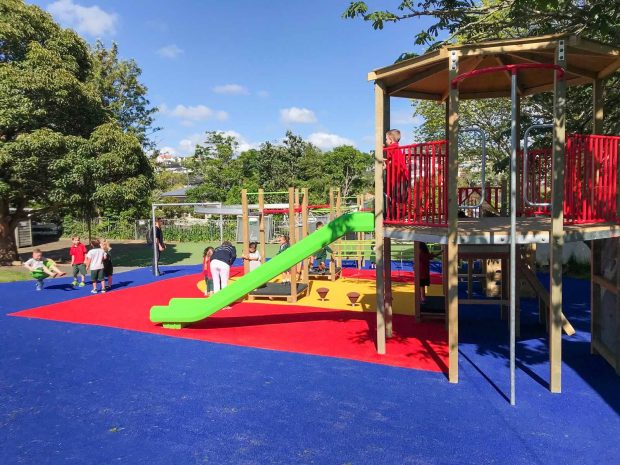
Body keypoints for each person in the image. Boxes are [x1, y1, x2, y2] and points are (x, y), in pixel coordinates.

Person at [384, 129, 409, 220]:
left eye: (386, 139)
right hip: (402, 176)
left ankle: (396, 216)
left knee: (396, 197)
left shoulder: (391, 148)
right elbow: (392, 161)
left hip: (398, 177)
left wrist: (385, 166)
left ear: (390, 139)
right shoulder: (396, 148)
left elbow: (391, 162)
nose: (386, 141)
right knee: (400, 197)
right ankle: (400, 215)